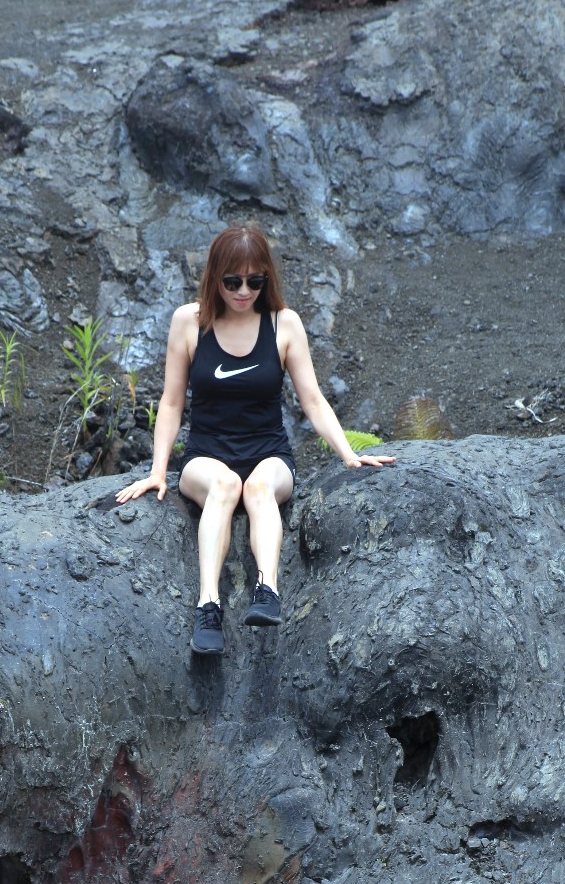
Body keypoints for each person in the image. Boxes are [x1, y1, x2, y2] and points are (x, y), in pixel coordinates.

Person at [114, 223, 395, 654]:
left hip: (268, 452)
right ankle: (208, 606)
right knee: (227, 486)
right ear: (215, 279)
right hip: (206, 455)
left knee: (258, 488)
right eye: (232, 282)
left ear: (267, 279)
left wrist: (349, 455)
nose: (243, 291)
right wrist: (157, 471)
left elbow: (313, 400)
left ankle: (268, 590)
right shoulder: (189, 323)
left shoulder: (285, 325)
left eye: (254, 281)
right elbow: (171, 404)